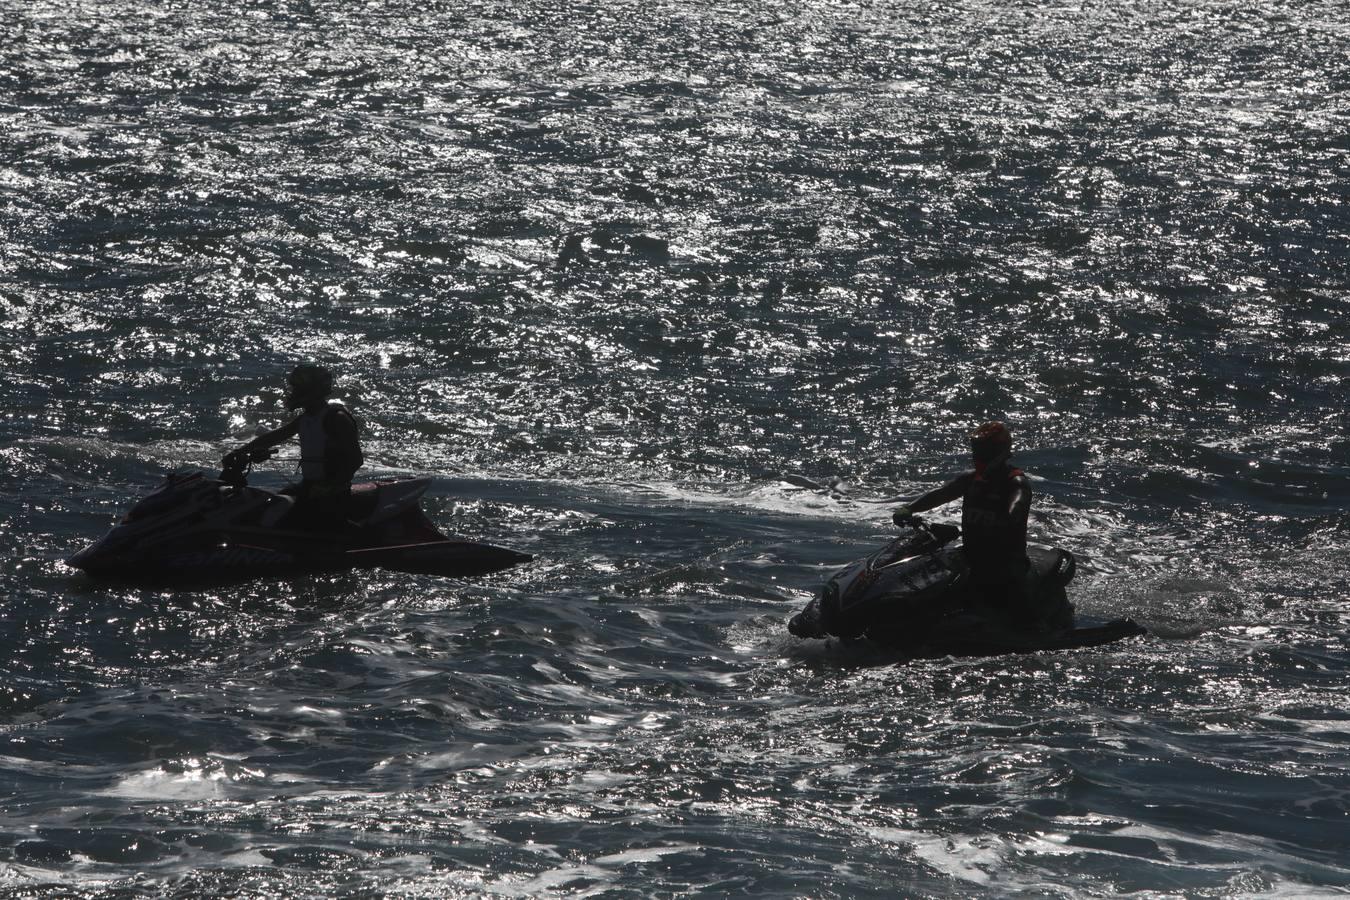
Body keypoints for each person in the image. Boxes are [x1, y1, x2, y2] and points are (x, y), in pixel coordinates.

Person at [891, 421, 1033, 618]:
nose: (977, 456)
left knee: (1008, 604)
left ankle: (1033, 627)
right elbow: (941, 494)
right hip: (971, 555)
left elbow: (1017, 506)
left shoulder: (1015, 482)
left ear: (999, 451)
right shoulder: (971, 478)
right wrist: (909, 508)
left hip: (1004, 561)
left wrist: (1009, 517)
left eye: (983, 451)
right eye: (976, 450)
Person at [224, 362, 363, 529]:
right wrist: (241, 451)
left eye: (298, 388)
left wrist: (329, 487)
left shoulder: (336, 418)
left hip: (332, 493)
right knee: (269, 506)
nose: (293, 392)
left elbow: (355, 460)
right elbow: (275, 436)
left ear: (313, 390)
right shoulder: (307, 418)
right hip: (309, 486)